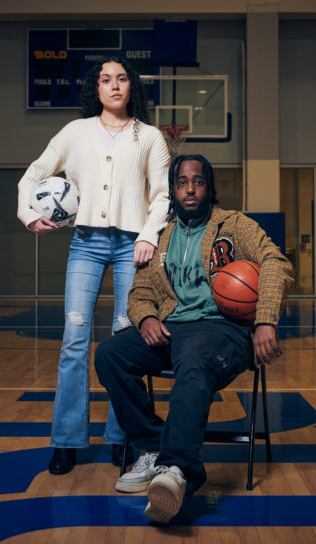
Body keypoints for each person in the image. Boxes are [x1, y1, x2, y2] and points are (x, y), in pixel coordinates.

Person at [94, 154, 294, 524]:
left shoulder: (233, 225)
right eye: (182, 182)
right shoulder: (161, 235)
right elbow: (139, 293)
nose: (190, 188)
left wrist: (265, 319)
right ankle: (154, 449)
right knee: (109, 355)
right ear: (173, 189)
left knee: (195, 364)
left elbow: (274, 261)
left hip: (223, 330)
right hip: (172, 329)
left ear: (209, 187)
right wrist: (148, 316)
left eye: (198, 181)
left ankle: (177, 471)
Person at [17, 57, 170, 475]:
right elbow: (33, 175)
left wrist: (148, 235)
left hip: (131, 248)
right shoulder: (75, 132)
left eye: (122, 78)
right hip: (85, 244)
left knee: (124, 341)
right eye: (106, 80)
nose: (114, 85)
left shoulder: (150, 137)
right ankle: (66, 440)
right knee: (74, 340)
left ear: (131, 86)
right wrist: (28, 214)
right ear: (96, 89)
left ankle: (121, 438)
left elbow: (161, 196)